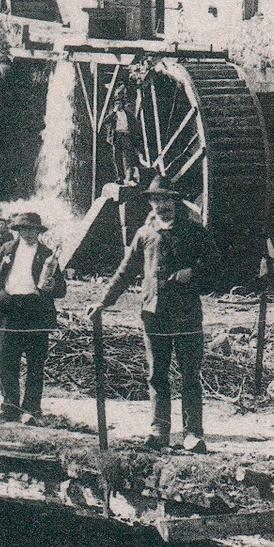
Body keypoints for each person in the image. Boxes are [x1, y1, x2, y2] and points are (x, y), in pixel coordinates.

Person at [90, 176, 221, 452]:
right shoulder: (144, 235)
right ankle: (159, 430)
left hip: (186, 315)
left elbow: (216, 266)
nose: (162, 206)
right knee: (157, 375)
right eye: (156, 200)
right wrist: (103, 301)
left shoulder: (195, 232)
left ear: (176, 201)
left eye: (167, 199)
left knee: (190, 375)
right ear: (150, 203)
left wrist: (192, 273)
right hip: (154, 314)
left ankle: (192, 433)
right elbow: (125, 273)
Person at [0, 212, 67, 424]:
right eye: (24, 229)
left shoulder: (47, 254)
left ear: (38, 232)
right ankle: (9, 406)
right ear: (18, 231)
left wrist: (49, 288)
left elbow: (60, 288)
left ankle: (31, 408)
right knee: (7, 360)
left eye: (33, 229)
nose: (28, 233)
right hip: (10, 309)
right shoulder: (7, 250)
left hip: (35, 311)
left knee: (35, 362)